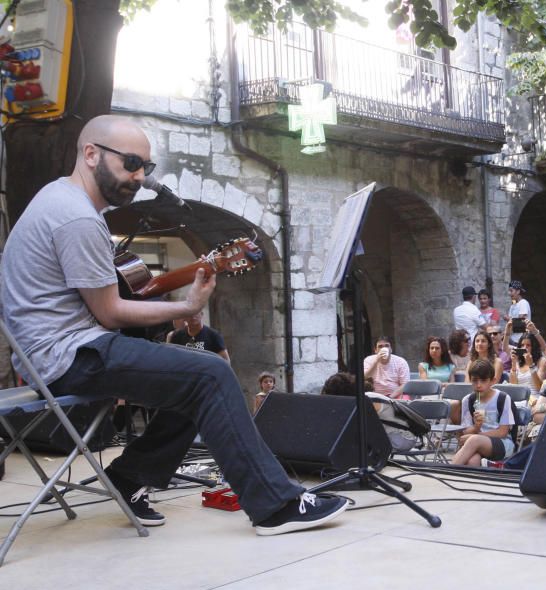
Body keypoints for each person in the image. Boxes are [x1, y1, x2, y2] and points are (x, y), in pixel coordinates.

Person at [0, 115, 346, 535]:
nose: (139, 176)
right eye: (130, 162)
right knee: (212, 374)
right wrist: (186, 305)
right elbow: (109, 312)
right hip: (69, 357)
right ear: (90, 154)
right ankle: (275, 505)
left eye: (146, 167)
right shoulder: (77, 218)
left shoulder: (57, 198)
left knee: (194, 382)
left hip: (53, 354)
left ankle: (128, 477)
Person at [452, 359, 515, 466]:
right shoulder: (468, 400)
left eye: (483, 380)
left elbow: (503, 432)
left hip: (502, 443)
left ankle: (447, 472)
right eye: (475, 381)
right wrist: (476, 426)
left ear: (493, 381)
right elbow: (466, 432)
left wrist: (477, 436)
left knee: (474, 440)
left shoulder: (503, 398)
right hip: (475, 443)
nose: (479, 385)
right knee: (472, 461)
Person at [507, 280, 531, 344]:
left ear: (518, 291)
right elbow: (510, 322)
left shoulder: (523, 303)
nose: (509, 293)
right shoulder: (513, 305)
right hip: (512, 339)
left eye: (511, 291)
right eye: (509, 291)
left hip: (520, 340)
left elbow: (520, 322)